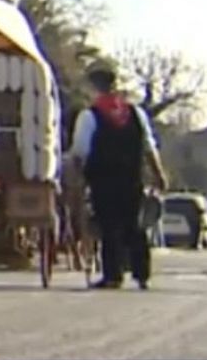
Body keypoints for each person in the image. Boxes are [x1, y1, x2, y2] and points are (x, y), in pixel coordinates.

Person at [67, 63, 169, 290]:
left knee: (109, 225)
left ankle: (113, 275)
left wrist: (76, 179)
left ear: (93, 87)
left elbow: (80, 152)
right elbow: (148, 146)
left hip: (103, 178)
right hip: (132, 176)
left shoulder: (89, 115)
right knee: (134, 224)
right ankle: (141, 273)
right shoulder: (135, 113)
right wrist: (158, 174)